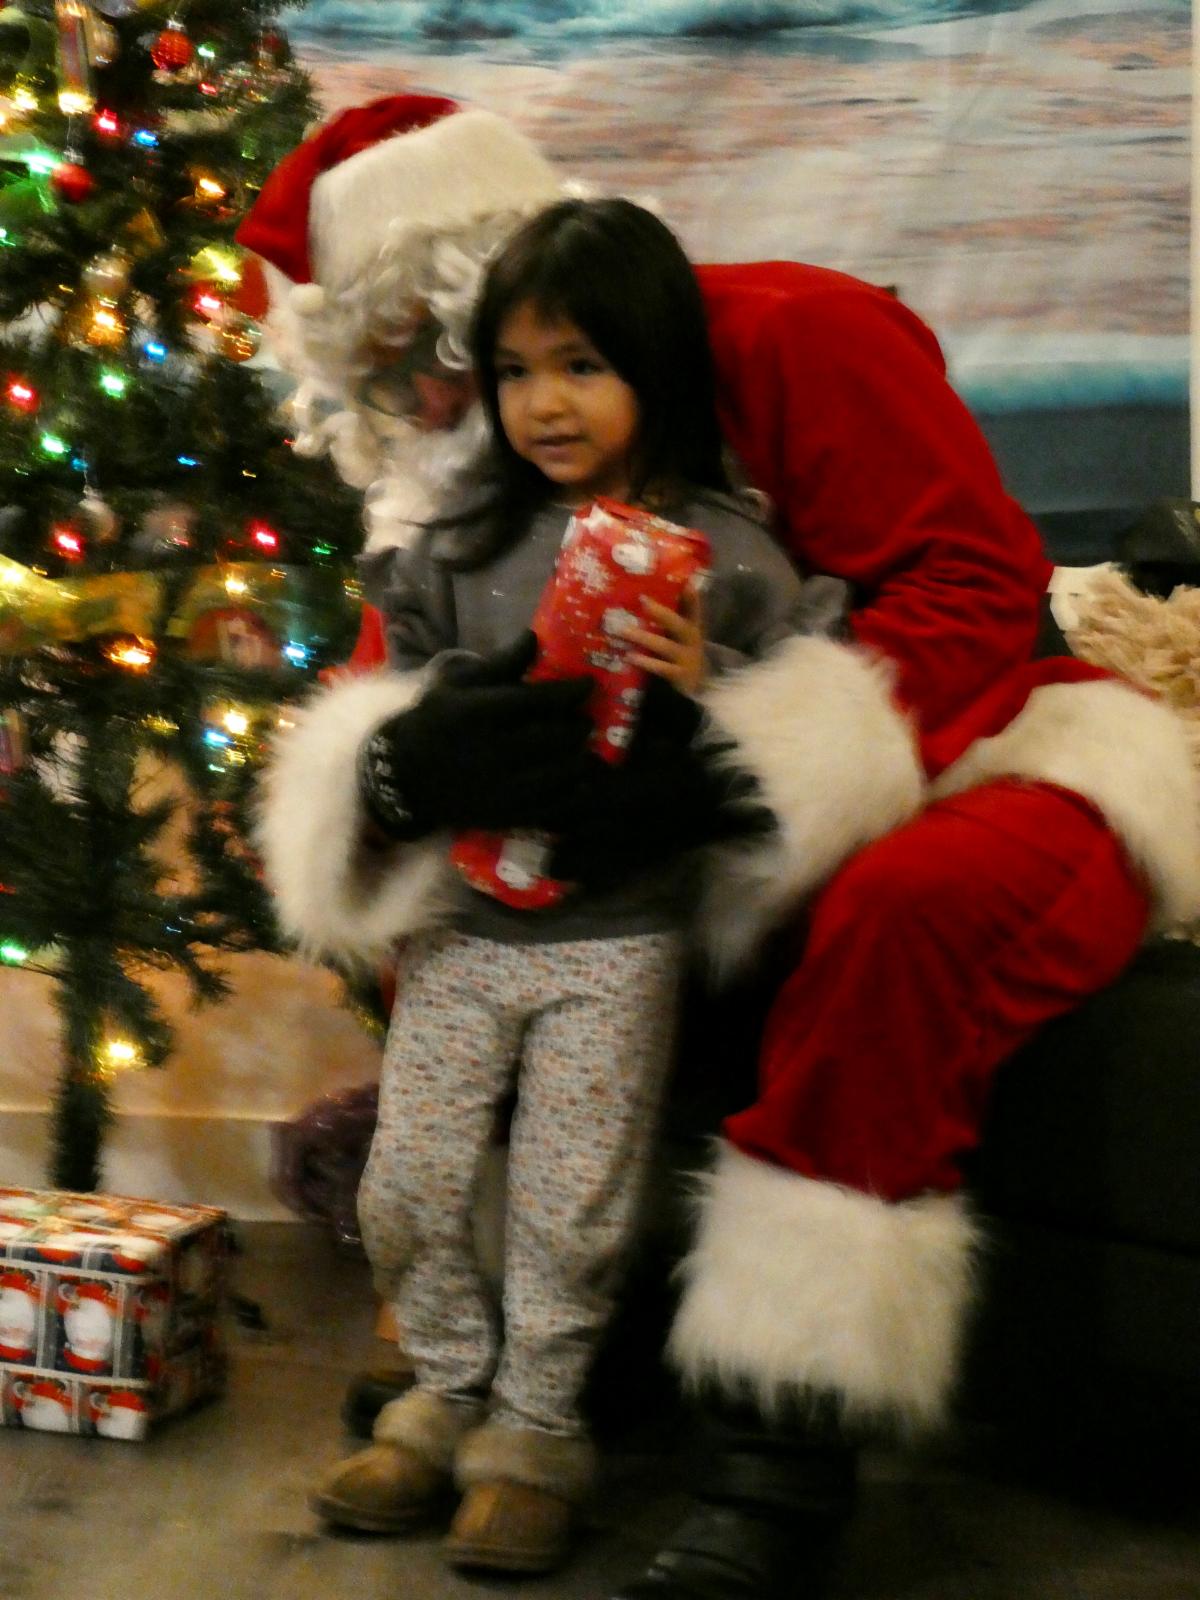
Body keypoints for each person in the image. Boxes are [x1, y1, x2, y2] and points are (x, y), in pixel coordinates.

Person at [245, 96, 1200, 1600]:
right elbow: (383, 717)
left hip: (998, 739)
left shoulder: (795, 332)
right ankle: (533, 1355)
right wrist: (393, 765)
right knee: (451, 910)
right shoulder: (460, 483)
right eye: (386, 373)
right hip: (643, 802)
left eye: (440, 350)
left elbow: (972, 587)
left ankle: (780, 1434)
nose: (432, 401)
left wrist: (740, 770)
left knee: (901, 909)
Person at [261, 193, 838, 1576]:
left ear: (659, 370)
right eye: (516, 370)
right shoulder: (463, 541)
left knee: (570, 1211)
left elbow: (800, 737)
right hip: (461, 936)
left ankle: (534, 1434)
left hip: (617, 944)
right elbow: (389, 696)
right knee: (408, 1187)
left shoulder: (729, 556)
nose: (544, 403)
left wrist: (711, 691)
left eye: (582, 365)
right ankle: (443, 1392)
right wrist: (424, 734)